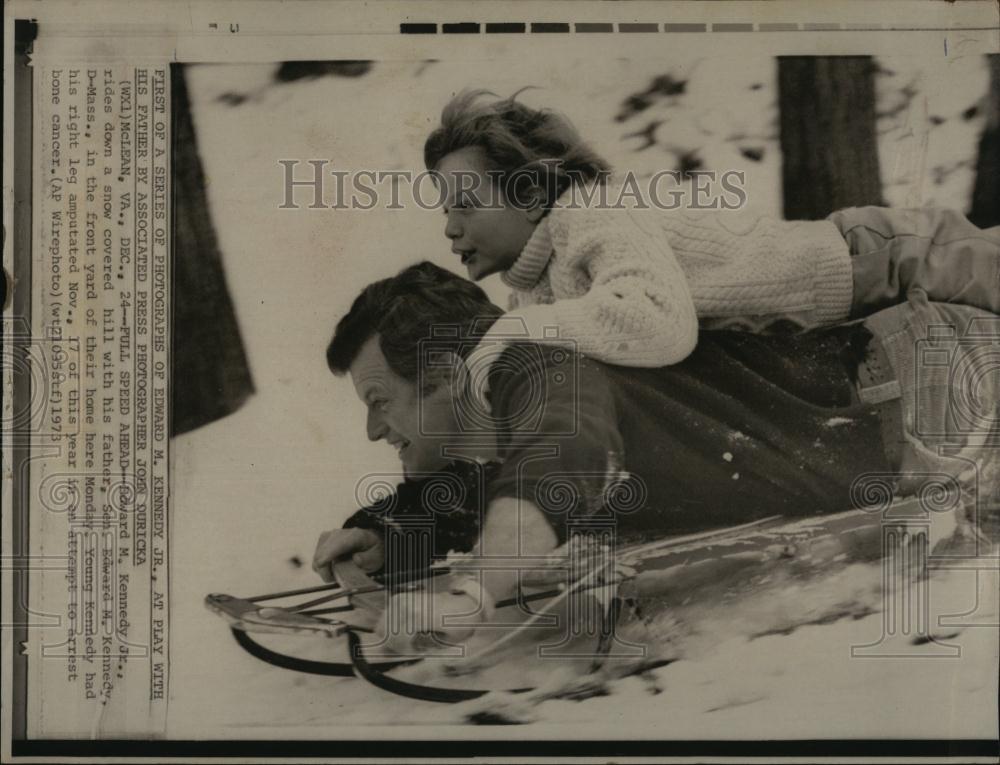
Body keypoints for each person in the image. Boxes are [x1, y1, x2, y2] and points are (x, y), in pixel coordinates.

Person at [313, 262, 999, 642]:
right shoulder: (508, 411)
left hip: (936, 383)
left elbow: (560, 463)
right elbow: (491, 492)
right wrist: (388, 538)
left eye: (381, 402)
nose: (376, 431)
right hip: (913, 402)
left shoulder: (545, 368)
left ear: (444, 377)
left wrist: (473, 593)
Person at [423, 89, 1000, 380]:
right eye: (445, 211)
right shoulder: (535, 289)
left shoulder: (590, 213)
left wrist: (523, 327)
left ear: (528, 195)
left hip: (877, 257)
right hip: (852, 290)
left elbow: (656, 322)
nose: (450, 228)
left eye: (466, 206)